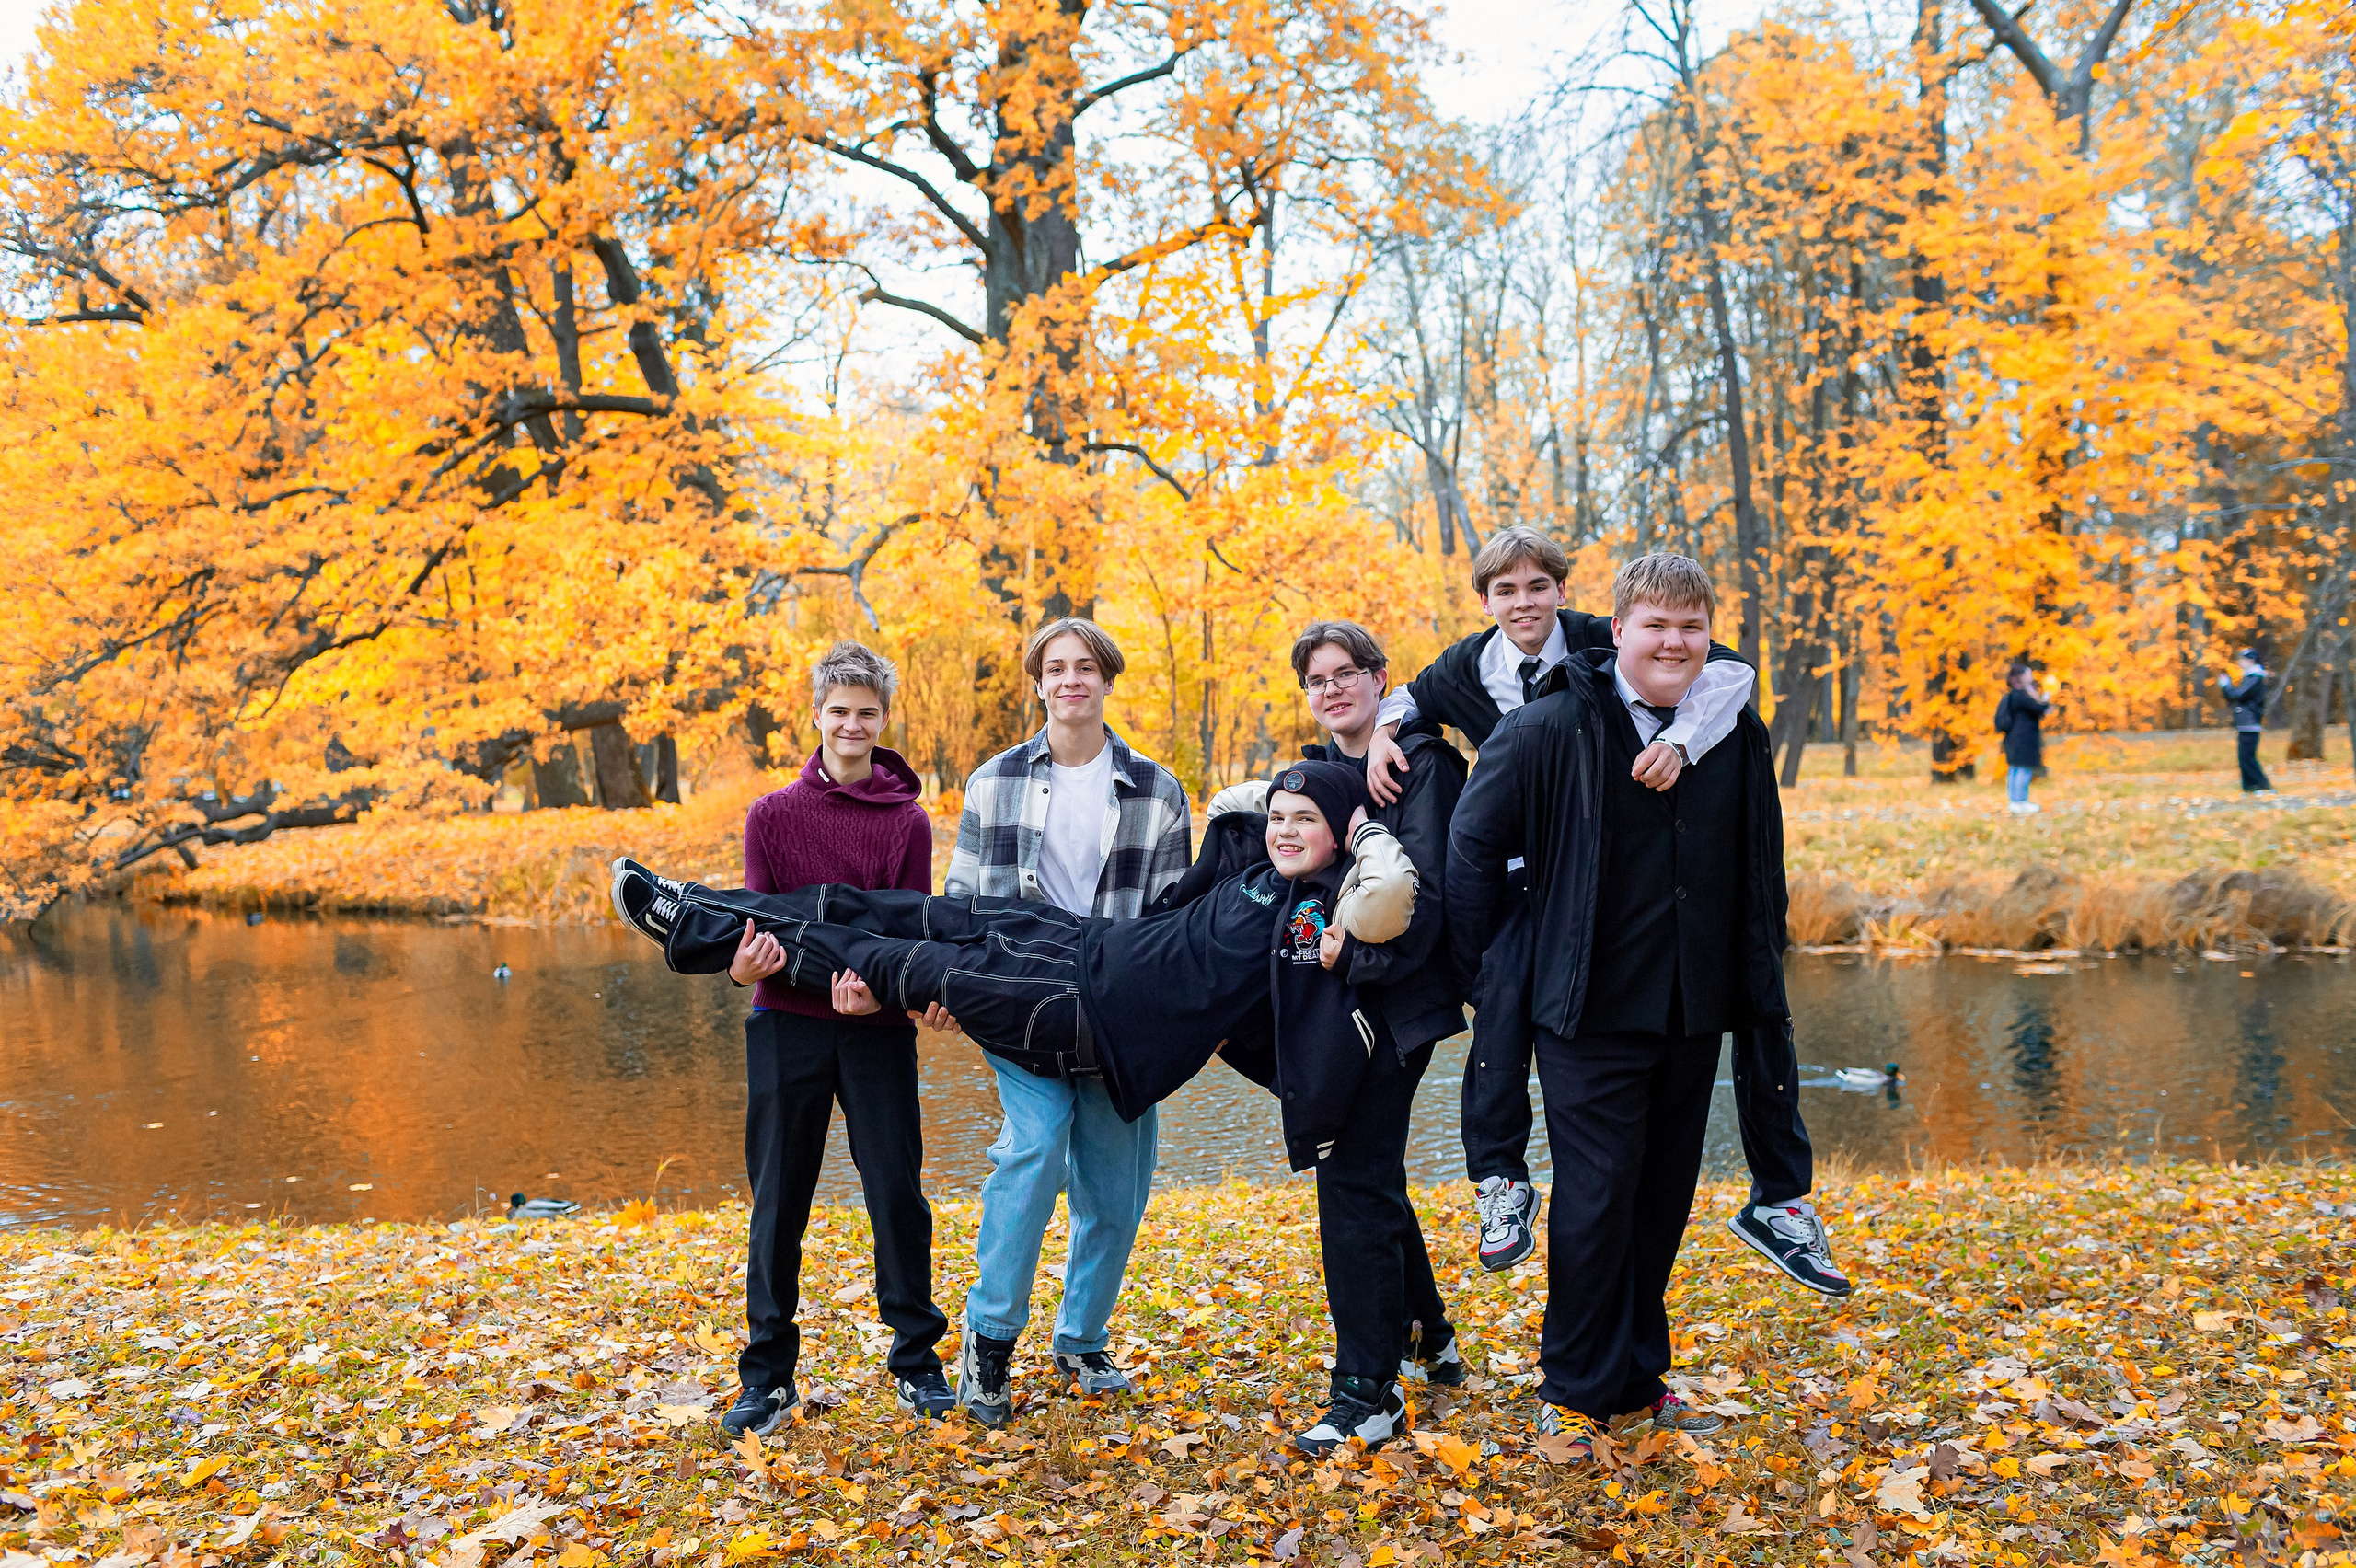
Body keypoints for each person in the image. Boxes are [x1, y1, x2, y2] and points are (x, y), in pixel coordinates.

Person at [606, 765, 1422, 1447]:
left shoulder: (1319, 911)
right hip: (1074, 940)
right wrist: (1297, 806)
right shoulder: (1253, 866)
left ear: (1342, 837)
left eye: (1304, 820)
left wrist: (1359, 830)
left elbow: (1387, 894)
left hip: (1079, 1014)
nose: (1282, 828)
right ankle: (696, 906)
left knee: (888, 961)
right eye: (1280, 815)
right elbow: (1231, 807)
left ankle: (700, 939)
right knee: (882, 909)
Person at [1359, 528, 1836, 1299]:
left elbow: (1726, 674)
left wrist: (1681, 740)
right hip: (1518, 869)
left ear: (1563, 592)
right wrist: (1384, 730)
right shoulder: (1470, 666)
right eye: (1505, 592)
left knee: (1757, 1003)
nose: (1524, 603)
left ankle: (1779, 1198)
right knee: (1503, 1009)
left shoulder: (1601, 638)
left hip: (1596, 869)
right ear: (1485, 603)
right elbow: (1408, 697)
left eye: (1537, 586)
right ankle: (1499, 1181)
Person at [1445, 553, 1812, 1456]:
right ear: (1618, 632)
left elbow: (1758, 862)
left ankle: (1638, 1382)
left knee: (1660, 1199)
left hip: (1692, 1005)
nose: (1673, 643)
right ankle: (1571, 1392)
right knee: (1597, 1197)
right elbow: (1469, 853)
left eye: (1691, 627)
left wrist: (1758, 965)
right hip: (1586, 1008)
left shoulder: (1731, 734)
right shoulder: (1547, 728)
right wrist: (1503, 964)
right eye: (1655, 626)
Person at [940, 619, 1193, 1424]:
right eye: (1057, 668)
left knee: (1115, 1193)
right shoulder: (995, 781)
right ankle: (988, 1345)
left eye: (1086, 667)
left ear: (1106, 680)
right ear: (1039, 683)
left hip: (1119, 1013)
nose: (1072, 680)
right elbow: (960, 901)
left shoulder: (1158, 790)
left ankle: (1081, 1338)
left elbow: (1173, 921)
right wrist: (952, 984)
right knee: (1033, 1149)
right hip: (1021, 1002)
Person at [1210, 626, 1470, 1408]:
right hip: (1330, 995)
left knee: (1352, 1179)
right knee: (1369, 1173)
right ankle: (1429, 1333)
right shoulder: (1322, 771)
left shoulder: (1422, 766)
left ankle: (1366, 1387)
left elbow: (1426, 897)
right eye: (1316, 680)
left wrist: (1351, 959)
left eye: (1346, 674)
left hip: (1395, 1005)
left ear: (1379, 679)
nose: (1331, 690)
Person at [718, 641, 954, 1436]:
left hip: (876, 1027)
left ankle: (918, 1363)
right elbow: (756, 932)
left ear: (884, 721)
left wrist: (876, 995)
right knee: (779, 1200)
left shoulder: (908, 822)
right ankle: (769, 1377)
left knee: (896, 1193)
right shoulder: (771, 817)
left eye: (867, 713)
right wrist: (743, 970)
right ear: (816, 716)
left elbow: (908, 933)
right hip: (786, 1026)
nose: (853, 725)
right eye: (839, 711)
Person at [1993, 662, 2058, 814]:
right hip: (2024, 738)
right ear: (2021, 676)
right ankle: (2020, 801)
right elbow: (2038, 708)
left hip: (2014, 737)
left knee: (2015, 768)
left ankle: (2015, 801)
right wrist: (2047, 696)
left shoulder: (2015, 695)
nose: (2031, 677)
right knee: (2023, 769)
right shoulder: (2021, 695)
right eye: (2029, 674)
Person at [2219, 649, 2273, 794]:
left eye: (2243, 659)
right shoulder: (2250, 677)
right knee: (2243, 757)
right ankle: (2249, 787)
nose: (2240, 662)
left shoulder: (2255, 677)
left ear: (2251, 661)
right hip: (2245, 722)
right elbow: (2234, 697)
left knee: (2248, 757)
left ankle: (2263, 786)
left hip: (2250, 722)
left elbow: (2238, 695)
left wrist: (2226, 685)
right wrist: (2226, 687)